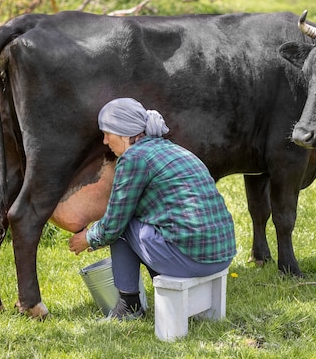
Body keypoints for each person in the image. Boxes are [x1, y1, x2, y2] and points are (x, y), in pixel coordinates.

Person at [69, 97, 236, 320]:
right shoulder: (174, 150)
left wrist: (88, 238)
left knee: (122, 226)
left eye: (108, 133)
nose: (105, 141)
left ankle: (129, 307)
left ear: (124, 133)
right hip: (222, 253)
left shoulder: (133, 158)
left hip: (193, 259)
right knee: (133, 224)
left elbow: (113, 225)